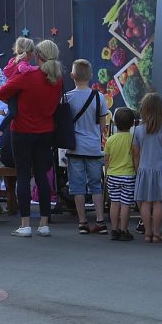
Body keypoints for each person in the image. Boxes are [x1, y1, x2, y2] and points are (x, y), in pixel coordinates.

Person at [0, 39, 63, 238]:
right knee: (42, 176)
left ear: (38, 56)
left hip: (22, 131)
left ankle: (25, 224)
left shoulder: (28, 75)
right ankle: (44, 223)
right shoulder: (57, 79)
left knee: (23, 175)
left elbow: (1, 92)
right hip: (46, 132)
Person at [64, 59, 109, 234]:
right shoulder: (99, 97)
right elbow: (103, 126)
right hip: (94, 149)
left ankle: (82, 222)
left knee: (77, 187)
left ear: (72, 76)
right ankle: (100, 220)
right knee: (96, 185)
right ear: (90, 75)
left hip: (74, 148)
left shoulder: (67, 98)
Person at [133, 93, 162, 243]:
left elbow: (136, 154)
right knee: (158, 203)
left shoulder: (138, 130)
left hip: (144, 169)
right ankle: (157, 233)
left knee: (145, 202)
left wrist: (137, 170)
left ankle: (147, 233)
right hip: (161, 170)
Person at [104, 107, 137, 241]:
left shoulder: (110, 140)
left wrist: (106, 175)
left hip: (113, 174)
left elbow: (107, 159)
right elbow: (135, 157)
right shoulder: (133, 139)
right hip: (128, 175)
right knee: (125, 204)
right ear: (133, 123)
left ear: (115, 123)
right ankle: (124, 230)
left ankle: (114, 229)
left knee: (114, 203)